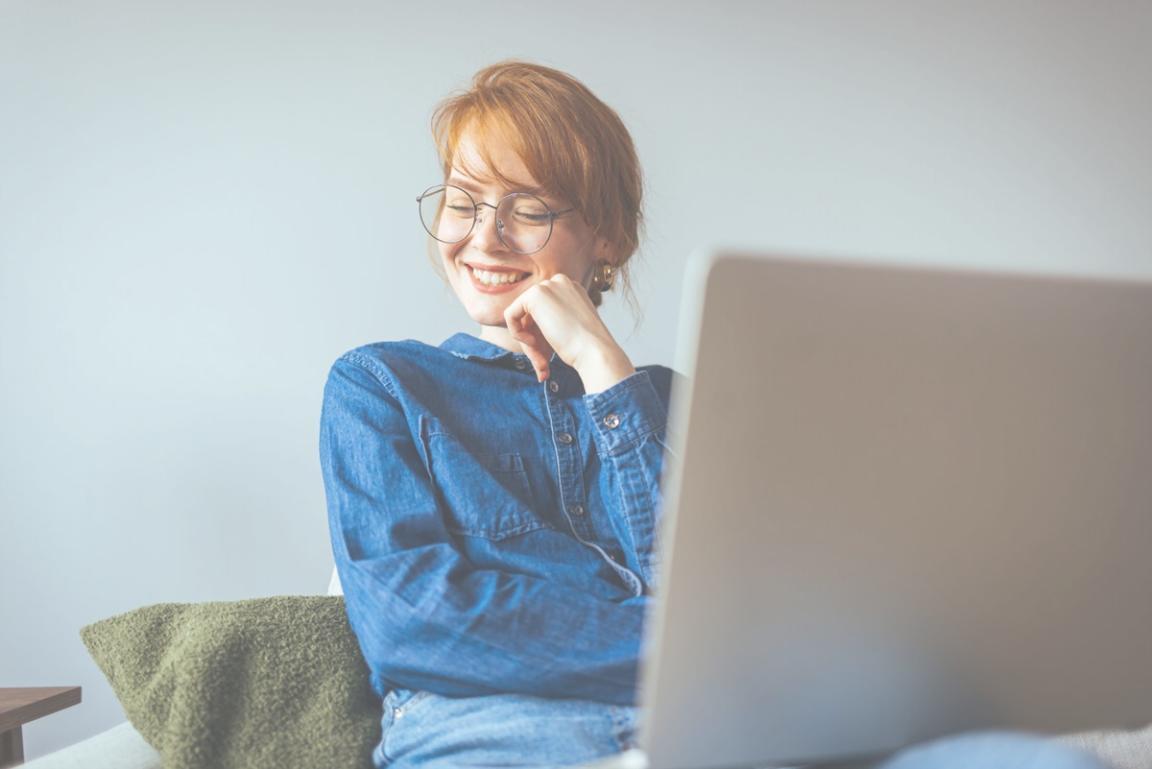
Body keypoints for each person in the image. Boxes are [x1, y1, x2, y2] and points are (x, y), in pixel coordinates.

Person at [318, 61, 1107, 769]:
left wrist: (603, 369)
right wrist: (704, 648)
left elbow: (728, 600)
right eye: (463, 201)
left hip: (727, 730)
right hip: (509, 737)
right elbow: (412, 625)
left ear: (608, 237)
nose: (483, 236)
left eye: (528, 208)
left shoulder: (672, 398)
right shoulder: (381, 386)